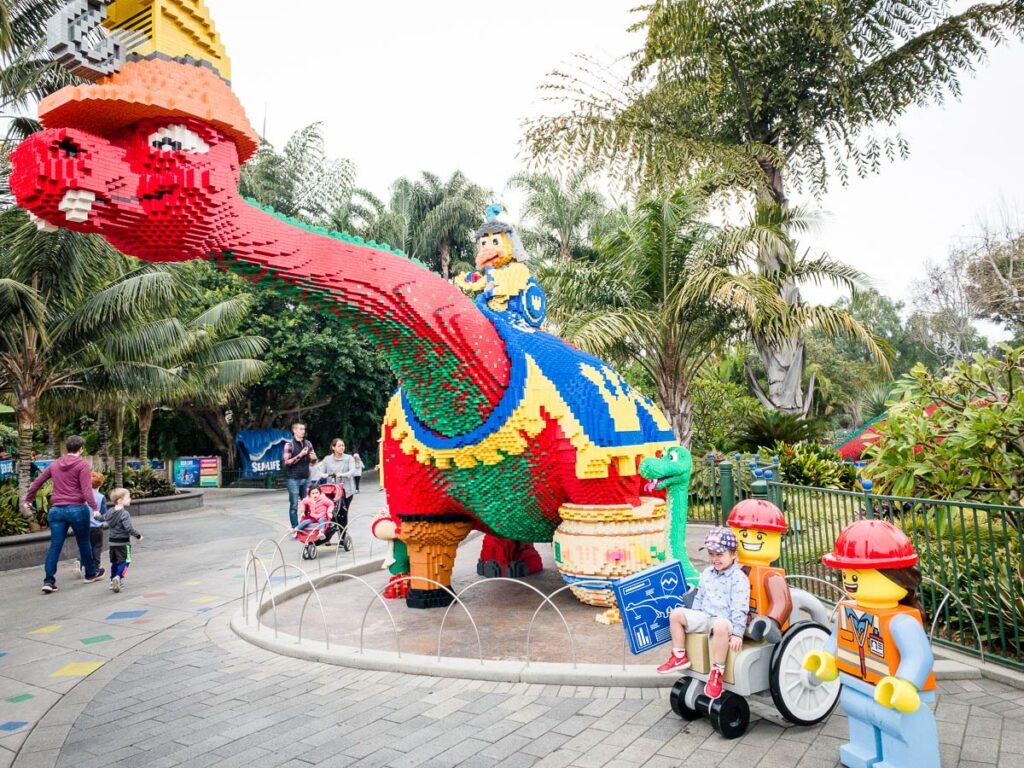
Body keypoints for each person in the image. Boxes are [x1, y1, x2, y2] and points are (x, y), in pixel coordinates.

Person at [656, 527, 750, 700]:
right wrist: (692, 618)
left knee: (720, 625)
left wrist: (737, 633)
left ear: (733, 554)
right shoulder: (707, 573)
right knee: (676, 614)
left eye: (719, 554)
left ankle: (717, 672)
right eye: (711, 554)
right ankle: (679, 656)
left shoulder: (738, 578)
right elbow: (700, 597)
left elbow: (740, 607)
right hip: (705, 616)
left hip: (724, 620)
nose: (714, 559)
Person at [25, 435, 105, 593]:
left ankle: (49, 581)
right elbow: (86, 489)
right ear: (81, 449)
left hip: (56, 511)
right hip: (77, 509)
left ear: (66, 448)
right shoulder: (82, 464)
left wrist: (28, 499)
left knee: (55, 545)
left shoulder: (55, 464)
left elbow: (38, 481)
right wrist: (94, 508)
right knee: (84, 542)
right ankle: (90, 574)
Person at [104, 487, 143, 593]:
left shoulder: (110, 511)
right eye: (128, 497)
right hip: (123, 542)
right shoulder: (125, 513)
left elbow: (103, 518)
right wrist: (138, 535)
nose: (130, 499)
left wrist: (96, 516)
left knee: (115, 562)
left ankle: (112, 581)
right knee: (126, 561)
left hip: (112, 543)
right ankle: (118, 577)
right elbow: (128, 528)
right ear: (120, 500)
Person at [283, 422, 317, 529]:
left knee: (308, 503)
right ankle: (295, 528)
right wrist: (300, 455)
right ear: (294, 431)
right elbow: (287, 462)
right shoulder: (289, 445)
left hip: (306, 477)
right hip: (293, 478)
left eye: (303, 429)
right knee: (294, 505)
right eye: (300, 429)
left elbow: (313, 462)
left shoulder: (308, 443)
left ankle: (306, 525)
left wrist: (314, 458)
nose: (303, 431)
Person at [316, 438, 355, 519]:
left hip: (346, 490)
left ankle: (343, 531)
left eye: (343, 446)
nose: (342, 447)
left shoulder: (349, 458)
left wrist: (343, 474)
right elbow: (319, 471)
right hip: (331, 491)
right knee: (330, 511)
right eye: (339, 446)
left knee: (343, 513)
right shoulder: (327, 459)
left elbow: (352, 471)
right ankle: (329, 529)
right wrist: (324, 475)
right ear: (333, 447)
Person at [82, 471, 107, 577]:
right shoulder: (101, 497)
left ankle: (81, 563)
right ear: (101, 484)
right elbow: (103, 513)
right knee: (96, 547)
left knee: (85, 545)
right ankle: (96, 568)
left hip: (84, 526)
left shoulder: (83, 495)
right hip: (96, 527)